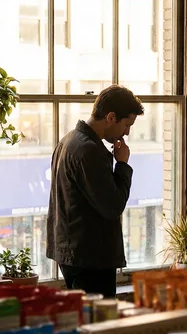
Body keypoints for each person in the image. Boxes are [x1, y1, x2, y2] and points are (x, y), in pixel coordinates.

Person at [46, 85, 144, 297]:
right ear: (110, 117)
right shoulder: (89, 150)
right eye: (127, 124)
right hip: (90, 257)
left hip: (72, 251)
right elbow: (112, 206)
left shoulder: (68, 140)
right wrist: (123, 165)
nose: (127, 132)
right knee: (98, 322)